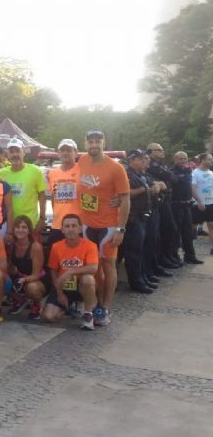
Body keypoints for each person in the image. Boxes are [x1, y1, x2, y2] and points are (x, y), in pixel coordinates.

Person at [77, 129, 130, 327]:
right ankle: (95, 303)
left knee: (108, 266)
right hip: (87, 225)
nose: (94, 145)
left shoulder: (115, 168)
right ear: (85, 144)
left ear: (104, 143)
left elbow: (125, 200)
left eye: (97, 141)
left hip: (108, 226)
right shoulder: (81, 161)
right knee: (94, 266)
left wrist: (121, 228)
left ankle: (105, 307)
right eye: (90, 141)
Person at [41, 214, 99, 331]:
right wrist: (59, 293)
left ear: (80, 229)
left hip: (82, 286)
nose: (71, 229)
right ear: (62, 230)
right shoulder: (56, 247)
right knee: (48, 317)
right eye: (67, 226)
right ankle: (70, 308)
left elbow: (93, 268)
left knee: (88, 279)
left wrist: (71, 271)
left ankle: (88, 314)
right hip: (64, 287)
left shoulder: (90, 245)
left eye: (74, 226)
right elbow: (53, 271)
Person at [122, 150, 155, 294]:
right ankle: (136, 282)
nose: (144, 161)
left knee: (140, 250)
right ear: (132, 160)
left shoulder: (140, 174)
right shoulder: (127, 174)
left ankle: (142, 277)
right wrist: (143, 189)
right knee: (133, 252)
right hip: (133, 218)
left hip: (142, 217)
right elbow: (125, 193)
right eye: (140, 159)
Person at [146, 142, 184, 268]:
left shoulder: (161, 165)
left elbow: (173, 178)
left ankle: (169, 256)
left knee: (170, 230)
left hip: (167, 199)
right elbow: (169, 176)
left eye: (162, 149)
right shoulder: (150, 164)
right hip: (159, 201)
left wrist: (167, 180)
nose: (162, 151)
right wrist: (165, 180)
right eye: (159, 149)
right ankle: (163, 258)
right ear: (150, 152)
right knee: (166, 229)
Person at [0, 138, 47, 235]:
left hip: (31, 224)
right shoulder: (1, 174)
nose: (15, 154)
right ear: (7, 155)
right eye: (11, 152)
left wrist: (42, 218)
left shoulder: (35, 171)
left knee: (34, 249)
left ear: (24, 152)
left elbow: (42, 196)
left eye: (18, 151)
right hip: (10, 226)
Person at [7, 215, 47, 319]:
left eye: (24, 227)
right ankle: (20, 301)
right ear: (13, 229)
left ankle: (36, 304)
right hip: (20, 277)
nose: (20, 230)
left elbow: (36, 275)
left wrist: (23, 280)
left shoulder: (35, 247)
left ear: (29, 231)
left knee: (32, 288)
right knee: (1, 279)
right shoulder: (11, 245)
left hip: (37, 279)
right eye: (17, 227)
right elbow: (11, 268)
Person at [46, 139, 82, 246]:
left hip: (78, 225)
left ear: (76, 153)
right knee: (55, 258)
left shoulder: (84, 170)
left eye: (69, 150)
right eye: (62, 150)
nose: (65, 153)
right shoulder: (52, 173)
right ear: (58, 153)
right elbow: (53, 197)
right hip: (58, 225)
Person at [171, 152, 204, 264]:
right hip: (176, 205)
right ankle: (174, 257)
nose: (183, 161)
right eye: (180, 159)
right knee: (176, 233)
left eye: (185, 159)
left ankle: (190, 256)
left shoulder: (188, 171)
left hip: (187, 205)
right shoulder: (172, 172)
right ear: (175, 159)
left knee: (188, 232)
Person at [192, 152, 213, 255]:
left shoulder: (211, 173)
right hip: (198, 204)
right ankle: (186, 245)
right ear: (203, 160)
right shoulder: (195, 173)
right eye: (209, 159)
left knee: (211, 225)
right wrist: (199, 201)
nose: (211, 161)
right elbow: (193, 189)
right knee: (193, 226)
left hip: (210, 203)